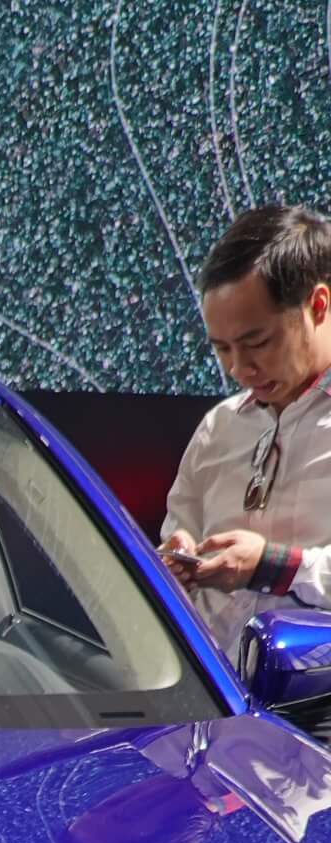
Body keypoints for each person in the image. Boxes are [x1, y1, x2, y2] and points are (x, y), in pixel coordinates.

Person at [161, 202, 331, 657]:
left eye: (257, 343)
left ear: (318, 305)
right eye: (222, 349)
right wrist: (176, 563)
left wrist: (275, 566)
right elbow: (176, 538)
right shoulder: (218, 428)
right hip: (212, 691)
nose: (239, 368)